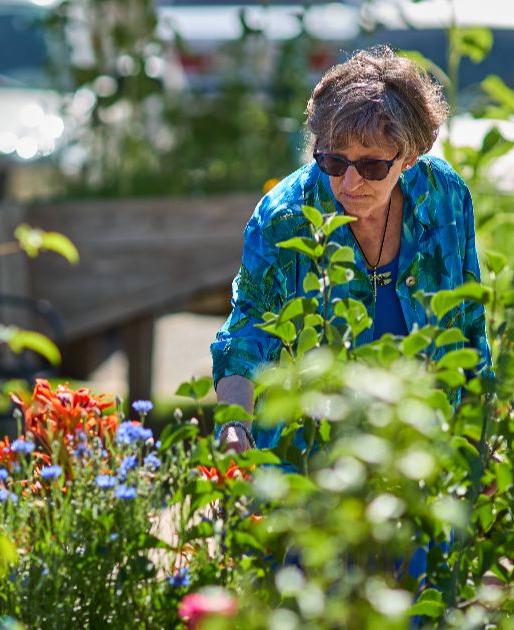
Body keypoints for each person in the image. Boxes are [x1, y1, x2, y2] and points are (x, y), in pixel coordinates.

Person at [210, 46, 491, 453]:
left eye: (373, 166)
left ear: (409, 158)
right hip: (311, 466)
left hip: (424, 458)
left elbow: (469, 327)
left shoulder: (443, 197)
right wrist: (234, 424)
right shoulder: (285, 216)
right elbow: (249, 326)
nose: (350, 183)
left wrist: (477, 435)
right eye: (334, 162)